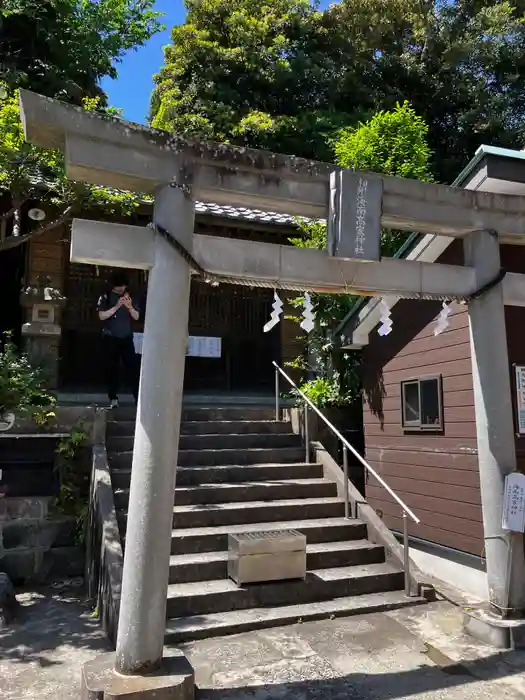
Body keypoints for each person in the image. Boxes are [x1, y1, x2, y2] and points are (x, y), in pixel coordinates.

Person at [97, 271, 140, 408]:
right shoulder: (106, 297)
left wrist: (129, 307)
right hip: (111, 337)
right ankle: (113, 398)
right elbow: (102, 316)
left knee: (132, 368)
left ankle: (137, 397)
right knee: (112, 368)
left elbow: (136, 316)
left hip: (126, 337)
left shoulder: (130, 297)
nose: (122, 289)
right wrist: (116, 307)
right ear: (113, 286)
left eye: (124, 286)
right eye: (119, 286)